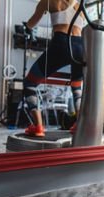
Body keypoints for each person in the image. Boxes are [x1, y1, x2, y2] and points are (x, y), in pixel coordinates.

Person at [23, 0, 84, 137]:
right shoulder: (79, 4)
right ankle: (79, 125)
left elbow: (31, 24)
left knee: (29, 83)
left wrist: (27, 26)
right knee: (76, 87)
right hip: (80, 47)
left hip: (61, 44)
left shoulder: (48, 1)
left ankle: (38, 126)